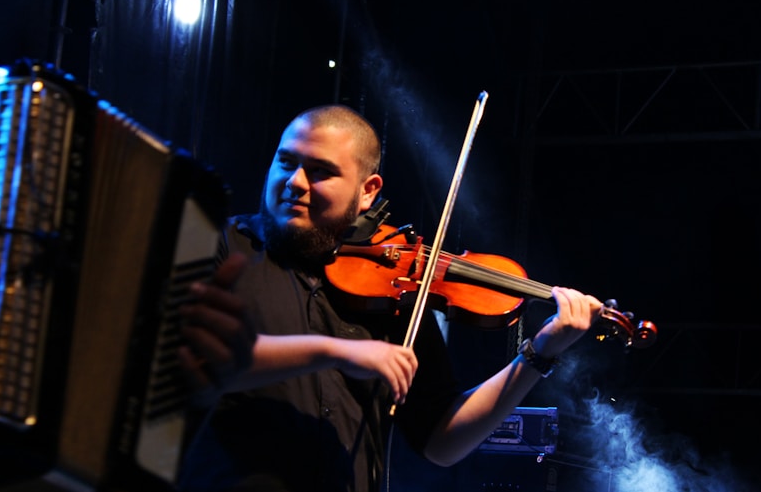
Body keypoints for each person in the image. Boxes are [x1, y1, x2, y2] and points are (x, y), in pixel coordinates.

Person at [175, 104, 602, 492]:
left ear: (368, 191)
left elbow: (443, 441)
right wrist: (336, 351)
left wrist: (539, 354)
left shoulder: (396, 293)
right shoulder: (221, 244)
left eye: (320, 172)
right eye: (286, 162)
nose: (295, 183)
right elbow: (199, 362)